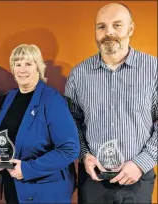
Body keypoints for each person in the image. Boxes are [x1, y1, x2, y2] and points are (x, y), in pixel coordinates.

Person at [65, 3, 157, 203]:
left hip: (137, 179)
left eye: (117, 25)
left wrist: (141, 163)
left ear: (130, 28)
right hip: (93, 180)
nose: (109, 32)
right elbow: (71, 122)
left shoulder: (154, 69)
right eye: (101, 26)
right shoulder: (79, 75)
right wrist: (84, 155)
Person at [0, 44, 80, 203]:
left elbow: (70, 149)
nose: (22, 69)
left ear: (38, 67)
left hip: (46, 190)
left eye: (28, 64)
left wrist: (27, 169)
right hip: (14, 187)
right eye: (17, 64)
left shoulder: (52, 99)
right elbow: (3, 137)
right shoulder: (8, 98)